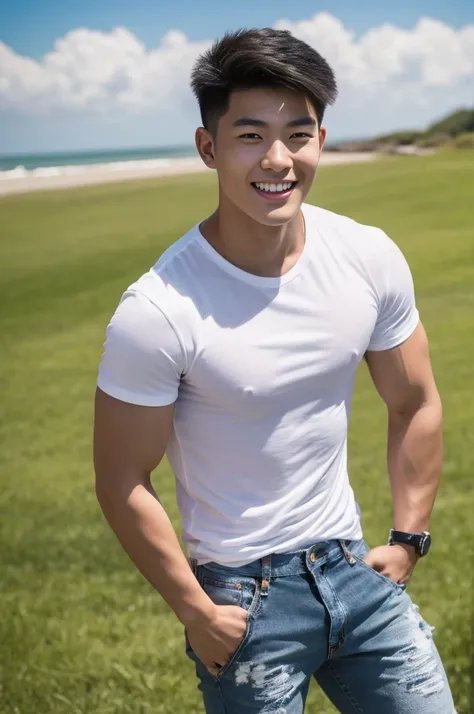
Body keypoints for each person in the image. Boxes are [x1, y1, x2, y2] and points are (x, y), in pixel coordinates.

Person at [93, 28, 456, 714]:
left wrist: (407, 540)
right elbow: (121, 479)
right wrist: (195, 610)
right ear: (210, 148)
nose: (279, 159)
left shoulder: (367, 256)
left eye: (300, 132)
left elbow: (414, 401)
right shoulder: (158, 311)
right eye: (251, 135)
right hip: (240, 600)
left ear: (322, 138)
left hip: (354, 574)